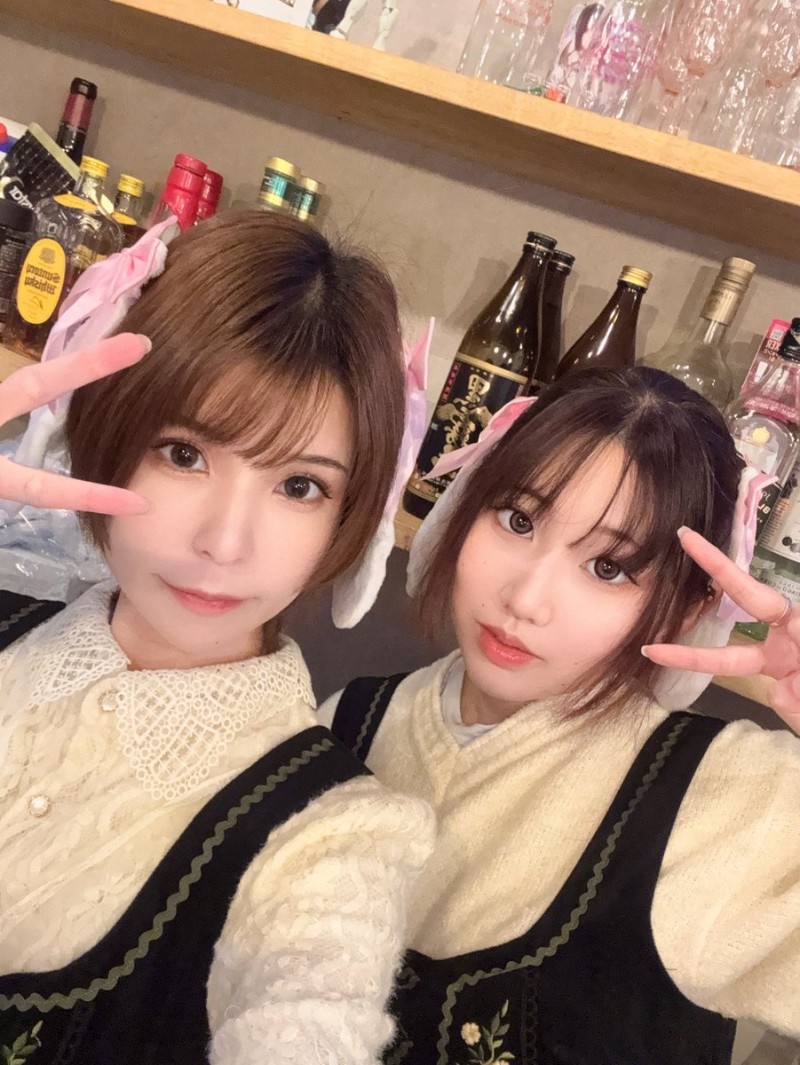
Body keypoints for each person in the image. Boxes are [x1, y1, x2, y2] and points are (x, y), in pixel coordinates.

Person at [0, 210, 434, 1064]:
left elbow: (311, 1018)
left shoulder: (333, 836)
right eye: (183, 452)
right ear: (105, 426)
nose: (225, 543)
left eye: (300, 486)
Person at [320, 367, 800, 1064]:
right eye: (518, 520)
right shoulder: (349, 722)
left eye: (608, 567)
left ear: (685, 607)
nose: (526, 598)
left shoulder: (731, 799)